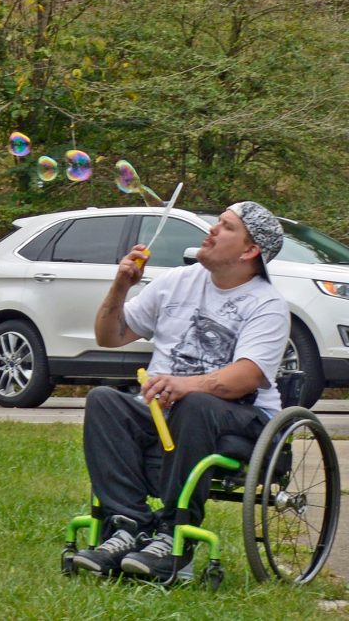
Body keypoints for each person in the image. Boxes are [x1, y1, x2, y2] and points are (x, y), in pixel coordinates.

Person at [73, 201, 290, 581]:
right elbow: (109, 336)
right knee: (104, 401)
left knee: (196, 403)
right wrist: (121, 286)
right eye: (217, 222)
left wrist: (184, 385)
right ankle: (127, 527)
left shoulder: (268, 305)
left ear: (250, 250)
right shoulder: (177, 282)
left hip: (239, 417)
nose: (212, 230)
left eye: (226, 226)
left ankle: (175, 538)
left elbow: (247, 376)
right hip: (164, 411)